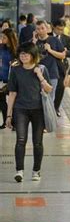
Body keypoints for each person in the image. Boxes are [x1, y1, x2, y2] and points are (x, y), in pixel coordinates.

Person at [6, 42, 53, 182]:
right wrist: (9, 115)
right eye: (21, 54)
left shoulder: (42, 69)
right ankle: (19, 171)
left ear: (33, 55)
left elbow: (49, 90)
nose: (23, 56)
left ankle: (36, 171)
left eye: (26, 53)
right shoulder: (15, 70)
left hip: (39, 110)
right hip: (21, 109)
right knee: (20, 140)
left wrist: (40, 76)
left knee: (37, 142)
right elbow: (12, 93)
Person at [33, 20, 66, 103]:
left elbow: (62, 55)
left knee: (50, 99)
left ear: (47, 29)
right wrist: (33, 43)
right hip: (36, 74)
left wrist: (50, 50)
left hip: (52, 74)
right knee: (37, 98)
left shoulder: (54, 40)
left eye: (42, 28)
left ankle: (49, 115)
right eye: (38, 29)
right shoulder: (33, 42)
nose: (40, 30)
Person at [52, 19, 70, 116]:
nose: (60, 31)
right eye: (58, 29)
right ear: (53, 27)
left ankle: (56, 108)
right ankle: (48, 108)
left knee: (61, 87)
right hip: (50, 66)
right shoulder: (48, 36)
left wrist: (66, 52)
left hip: (61, 67)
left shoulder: (66, 38)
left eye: (62, 29)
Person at [0, 29, 18, 129]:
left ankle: (14, 122)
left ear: (10, 38)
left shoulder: (16, 50)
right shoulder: (1, 48)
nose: (2, 39)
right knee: (1, 101)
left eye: (4, 37)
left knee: (14, 101)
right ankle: (5, 122)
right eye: (1, 37)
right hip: (1, 77)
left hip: (12, 78)